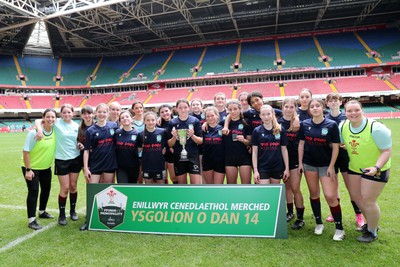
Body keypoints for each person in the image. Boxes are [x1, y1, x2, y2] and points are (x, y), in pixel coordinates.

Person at [340, 100, 391, 243]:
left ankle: (372, 231)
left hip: (376, 168)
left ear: (363, 110)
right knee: (356, 197)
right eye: (349, 111)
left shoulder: (376, 128)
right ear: (345, 113)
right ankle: (370, 223)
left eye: (356, 110)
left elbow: (386, 151)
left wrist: (376, 167)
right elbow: (342, 142)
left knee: (368, 200)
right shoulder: (343, 126)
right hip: (355, 168)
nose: (353, 113)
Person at [298, 98, 344, 241]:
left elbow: (336, 147)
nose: (315, 108)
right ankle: (318, 223)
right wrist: (300, 163)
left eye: (318, 106)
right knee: (314, 193)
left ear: (323, 107)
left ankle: (339, 228)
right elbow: (301, 144)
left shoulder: (331, 125)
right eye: (312, 106)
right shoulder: (304, 124)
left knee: (330, 195)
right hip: (309, 164)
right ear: (309, 109)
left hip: (326, 165)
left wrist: (331, 166)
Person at [35, 104, 81, 226]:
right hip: (61, 160)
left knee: (73, 186)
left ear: (73, 113)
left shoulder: (77, 126)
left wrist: (80, 144)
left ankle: (72, 211)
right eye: (64, 112)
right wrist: (39, 129)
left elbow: (79, 140)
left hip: (76, 159)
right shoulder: (56, 122)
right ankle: (62, 214)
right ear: (61, 114)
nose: (67, 114)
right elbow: (39, 120)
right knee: (65, 188)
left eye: (69, 112)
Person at [325, 93, 364, 229]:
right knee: (333, 188)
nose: (334, 102)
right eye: (331, 100)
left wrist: (348, 144)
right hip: (331, 157)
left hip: (346, 157)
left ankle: (359, 215)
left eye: (336, 100)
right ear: (327, 103)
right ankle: (334, 213)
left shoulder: (347, 116)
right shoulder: (325, 118)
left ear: (340, 102)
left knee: (351, 188)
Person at [22, 108, 56, 230]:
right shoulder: (33, 133)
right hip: (32, 168)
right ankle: (31, 220)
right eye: (48, 117)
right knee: (34, 191)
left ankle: (42, 212)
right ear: (43, 117)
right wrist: (28, 169)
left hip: (46, 167)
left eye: (53, 117)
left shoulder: (55, 130)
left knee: (46, 189)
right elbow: (26, 152)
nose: (51, 119)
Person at [279, 98, 305, 229]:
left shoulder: (298, 124)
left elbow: (301, 144)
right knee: (287, 187)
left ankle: (300, 217)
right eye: (286, 106)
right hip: (282, 160)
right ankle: (290, 212)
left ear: (295, 108)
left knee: (296, 188)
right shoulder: (277, 122)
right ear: (282, 107)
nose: (288, 109)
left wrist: (300, 163)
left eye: (291, 107)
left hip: (295, 160)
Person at [167, 99, 203, 184]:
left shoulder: (195, 121)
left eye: (185, 107)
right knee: (182, 185)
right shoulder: (172, 122)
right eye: (180, 108)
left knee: (196, 185)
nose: (183, 110)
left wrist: (192, 135)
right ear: (176, 109)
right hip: (179, 157)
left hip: (193, 156)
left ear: (189, 108)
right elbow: (169, 144)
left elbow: (200, 141)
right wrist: (174, 137)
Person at [252, 105, 289, 185]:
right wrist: (255, 170)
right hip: (262, 167)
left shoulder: (280, 129)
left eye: (268, 114)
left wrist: (287, 168)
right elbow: (254, 152)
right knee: (264, 194)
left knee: (274, 194)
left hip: (277, 167)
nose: (266, 117)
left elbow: (284, 150)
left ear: (273, 114)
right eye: (263, 114)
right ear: (260, 116)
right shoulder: (257, 131)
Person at [83, 103, 118, 184]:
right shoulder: (90, 130)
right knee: (93, 188)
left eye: (104, 112)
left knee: (107, 189)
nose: (102, 114)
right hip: (96, 163)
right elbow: (86, 150)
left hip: (110, 163)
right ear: (95, 113)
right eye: (99, 112)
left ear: (108, 113)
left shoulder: (114, 126)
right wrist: (85, 168)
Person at [224, 100, 252, 184]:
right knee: (231, 186)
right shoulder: (224, 124)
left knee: (246, 185)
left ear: (240, 109)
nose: (233, 111)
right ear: (227, 111)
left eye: (235, 109)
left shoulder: (246, 122)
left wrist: (243, 140)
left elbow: (249, 142)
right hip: (229, 158)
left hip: (244, 157)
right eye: (230, 109)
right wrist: (205, 124)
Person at [76, 105, 94, 231]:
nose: (87, 116)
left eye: (89, 113)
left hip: (100, 160)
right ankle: (90, 216)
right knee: (90, 187)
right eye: (84, 114)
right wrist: (79, 144)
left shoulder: (99, 125)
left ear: (93, 114)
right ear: (82, 115)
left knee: (103, 185)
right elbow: (78, 141)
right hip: (86, 161)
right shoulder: (80, 128)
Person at [140, 111, 168, 184]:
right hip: (146, 165)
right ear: (144, 121)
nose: (150, 122)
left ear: (156, 120)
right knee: (149, 188)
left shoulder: (162, 132)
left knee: (160, 188)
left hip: (159, 165)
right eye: (148, 120)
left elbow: (167, 145)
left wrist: (165, 149)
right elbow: (138, 149)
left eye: (153, 120)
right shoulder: (140, 134)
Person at [115, 110, 141, 183]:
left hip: (134, 166)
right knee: (123, 187)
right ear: (120, 121)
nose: (125, 118)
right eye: (122, 118)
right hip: (121, 166)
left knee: (132, 188)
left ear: (131, 119)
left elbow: (140, 148)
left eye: (127, 116)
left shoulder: (137, 134)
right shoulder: (117, 133)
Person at [202, 106, 225, 184]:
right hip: (207, 161)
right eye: (208, 116)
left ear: (217, 116)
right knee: (210, 187)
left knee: (218, 187)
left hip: (220, 161)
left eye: (212, 115)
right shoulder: (203, 129)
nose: (210, 118)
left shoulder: (223, 128)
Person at [158, 104, 177, 184]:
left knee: (174, 177)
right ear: (159, 114)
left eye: (166, 111)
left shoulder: (176, 122)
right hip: (161, 152)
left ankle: (177, 194)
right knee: (163, 177)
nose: (165, 113)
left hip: (172, 152)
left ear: (170, 111)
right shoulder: (157, 124)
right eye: (162, 112)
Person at [131, 101, 145, 183]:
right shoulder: (130, 121)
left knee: (147, 176)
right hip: (135, 152)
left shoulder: (148, 120)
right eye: (136, 108)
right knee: (138, 177)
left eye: (140, 107)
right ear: (133, 110)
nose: (139, 109)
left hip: (147, 152)